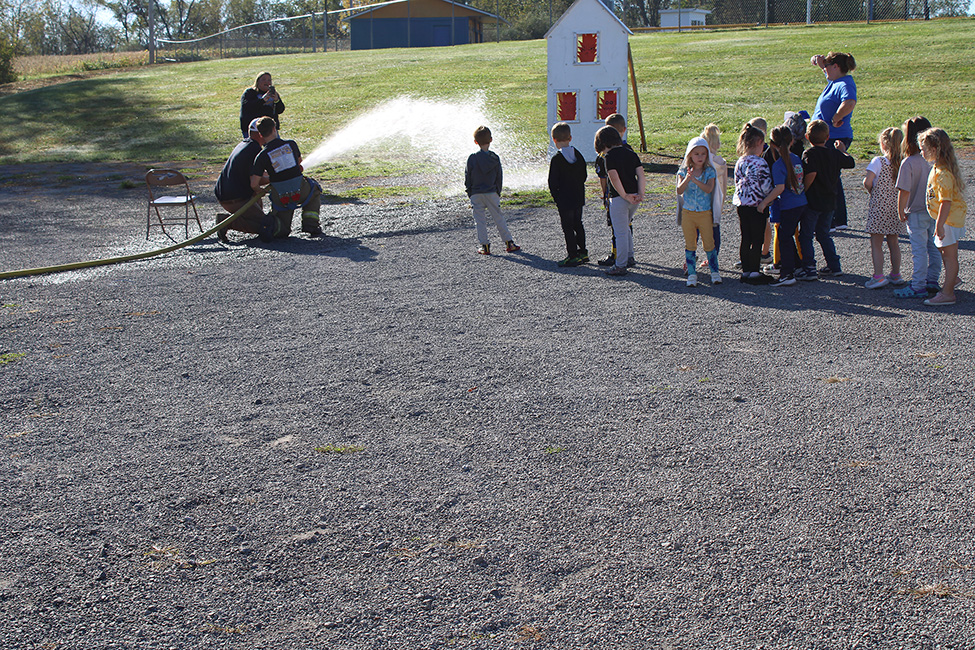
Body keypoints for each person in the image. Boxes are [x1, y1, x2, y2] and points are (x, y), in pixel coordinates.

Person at [249, 116, 324, 238]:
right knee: (314, 191)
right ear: (274, 129)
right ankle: (311, 224)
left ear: (260, 134)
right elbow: (299, 163)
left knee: (281, 229)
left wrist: (259, 191)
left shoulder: (261, 156)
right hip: (300, 190)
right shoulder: (291, 144)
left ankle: (279, 229)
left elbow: (253, 183)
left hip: (281, 196)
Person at [800, 119, 854, 280]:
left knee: (806, 235)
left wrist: (803, 190)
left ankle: (809, 267)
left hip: (813, 200)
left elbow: (811, 175)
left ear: (807, 137)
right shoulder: (834, 153)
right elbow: (850, 162)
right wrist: (843, 150)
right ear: (828, 136)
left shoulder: (809, 154)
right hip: (830, 201)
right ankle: (833, 264)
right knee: (824, 234)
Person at [918, 127, 967, 306]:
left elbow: (946, 202)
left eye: (923, 148)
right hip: (945, 220)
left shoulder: (943, 174)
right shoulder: (938, 168)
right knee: (944, 251)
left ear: (935, 149)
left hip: (948, 220)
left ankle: (948, 293)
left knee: (949, 256)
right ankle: (952, 280)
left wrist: (939, 225)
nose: (921, 152)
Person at [810, 52, 857, 231]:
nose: (825, 70)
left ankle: (832, 220)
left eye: (828, 67)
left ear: (836, 67)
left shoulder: (845, 83)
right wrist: (822, 64)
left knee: (827, 177)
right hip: (830, 135)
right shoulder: (835, 82)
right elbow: (826, 70)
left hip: (835, 136)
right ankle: (839, 219)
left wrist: (837, 117)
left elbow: (850, 102)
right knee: (831, 177)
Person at [893, 116, 939, 299]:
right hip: (934, 210)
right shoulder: (934, 160)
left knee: (919, 250)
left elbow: (904, 191)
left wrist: (900, 210)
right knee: (934, 248)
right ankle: (932, 280)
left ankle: (918, 285)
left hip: (916, 211)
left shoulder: (908, 162)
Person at [758, 125, 807, 287]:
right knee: (790, 235)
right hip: (801, 203)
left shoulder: (779, 165)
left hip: (789, 206)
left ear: (772, 144)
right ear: (792, 141)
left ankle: (787, 273)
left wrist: (765, 202)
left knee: (784, 238)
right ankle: (799, 266)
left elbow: (780, 188)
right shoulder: (796, 159)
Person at [214, 118, 275, 243]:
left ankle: (248, 217)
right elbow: (256, 180)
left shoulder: (245, 144)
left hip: (226, 194)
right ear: (260, 134)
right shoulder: (254, 151)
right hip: (236, 199)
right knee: (267, 227)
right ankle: (225, 222)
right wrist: (275, 177)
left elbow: (254, 173)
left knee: (259, 210)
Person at [862, 127, 908, 289]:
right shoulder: (902, 162)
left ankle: (878, 275)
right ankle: (896, 274)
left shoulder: (878, 162)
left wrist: (871, 190)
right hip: (896, 207)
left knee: (876, 243)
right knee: (894, 242)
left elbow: (867, 182)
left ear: (883, 143)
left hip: (879, 207)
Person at [597, 125, 644, 276]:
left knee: (620, 232)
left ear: (603, 143)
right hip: (634, 197)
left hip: (619, 198)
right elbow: (641, 175)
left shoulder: (609, 157)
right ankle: (630, 256)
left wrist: (623, 195)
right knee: (626, 226)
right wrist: (640, 193)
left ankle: (620, 264)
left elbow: (613, 177)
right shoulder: (631, 153)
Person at [465, 125, 519, 255]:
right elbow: (499, 177)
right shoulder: (494, 158)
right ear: (491, 139)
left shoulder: (472, 158)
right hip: (491, 192)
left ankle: (485, 245)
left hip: (476, 193)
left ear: (475, 142)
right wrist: (497, 192)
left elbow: (468, 176)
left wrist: (469, 192)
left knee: (480, 221)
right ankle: (509, 242)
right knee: (498, 218)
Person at [733, 123, 773, 284]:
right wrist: (770, 196)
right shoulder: (760, 163)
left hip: (742, 204)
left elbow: (736, 181)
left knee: (746, 237)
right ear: (759, 143)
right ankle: (755, 271)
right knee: (757, 239)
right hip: (757, 204)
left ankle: (746, 271)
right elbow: (765, 185)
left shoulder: (740, 161)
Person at [677, 136, 719, 287]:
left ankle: (715, 272)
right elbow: (679, 190)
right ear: (690, 155)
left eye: (703, 153)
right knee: (690, 244)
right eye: (696, 154)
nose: (700, 157)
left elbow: (709, 189)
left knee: (709, 243)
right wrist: (688, 178)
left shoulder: (709, 172)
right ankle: (692, 273)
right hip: (688, 213)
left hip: (704, 213)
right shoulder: (683, 171)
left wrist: (695, 180)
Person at [596, 113, 635, 267]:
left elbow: (603, 177)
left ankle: (617, 255)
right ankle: (629, 254)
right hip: (631, 193)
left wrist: (604, 194)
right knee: (627, 224)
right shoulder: (629, 150)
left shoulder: (605, 155)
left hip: (615, 195)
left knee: (617, 228)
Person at [548, 122, 588, 267]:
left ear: (554, 140)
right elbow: (584, 175)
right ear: (570, 137)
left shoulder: (557, 159)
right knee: (578, 224)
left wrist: (556, 197)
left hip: (564, 199)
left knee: (568, 227)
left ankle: (572, 254)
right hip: (578, 196)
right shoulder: (578, 154)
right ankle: (583, 251)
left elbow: (552, 182)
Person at [240, 72, 285, 139]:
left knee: (274, 148)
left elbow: (280, 110)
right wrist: (263, 100)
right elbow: (247, 107)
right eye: (263, 79)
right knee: (254, 148)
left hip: (269, 129)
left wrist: (277, 100)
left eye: (269, 80)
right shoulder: (249, 92)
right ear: (257, 81)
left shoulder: (273, 94)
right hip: (253, 129)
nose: (267, 82)